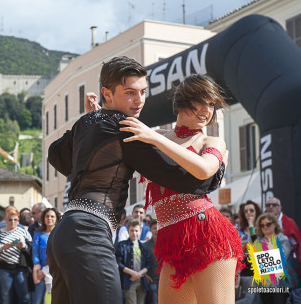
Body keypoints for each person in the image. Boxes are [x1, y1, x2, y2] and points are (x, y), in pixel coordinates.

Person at [47, 57, 225, 304]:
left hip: (203, 231)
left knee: (273, 288)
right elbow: (183, 176)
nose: (139, 100)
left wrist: (95, 123)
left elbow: (57, 155)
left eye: (143, 92)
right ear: (107, 94)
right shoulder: (135, 131)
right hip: (101, 232)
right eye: (130, 93)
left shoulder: (138, 131)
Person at [118, 73, 245, 302]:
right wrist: (100, 108)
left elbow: (205, 170)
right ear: (182, 101)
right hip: (170, 240)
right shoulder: (154, 137)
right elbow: (115, 137)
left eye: (211, 104)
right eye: (200, 101)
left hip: (207, 235)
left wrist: (155, 139)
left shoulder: (210, 142)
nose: (206, 110)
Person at [0, 206, 32, 304]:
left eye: (15, 220)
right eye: (10, 220)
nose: (13, 222)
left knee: (24, 297)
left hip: (19, 268)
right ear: (5, 219)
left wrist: (23, 246)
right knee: (5, 298)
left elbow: (31, 249)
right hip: (3, 269)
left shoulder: (23, 231)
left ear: (18, 219)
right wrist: (2, 247)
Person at [254, 213, 292, 303]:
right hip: (263, 285)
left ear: (274, 224)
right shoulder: (257, 241)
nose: (265, 227)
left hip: (280, 284)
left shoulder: (283, 239)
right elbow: (256, 261)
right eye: (262, 225)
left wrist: (263, 257)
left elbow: (280, 259)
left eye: (268, 224)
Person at [115, 219, 152, 304]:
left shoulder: (143, 247)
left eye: (136, 231)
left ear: (140, 231)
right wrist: (133, 273)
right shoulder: (122, 245)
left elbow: (149, 264)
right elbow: (118, 262)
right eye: (132, 230)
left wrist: (139, 274)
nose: (134, 233)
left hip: (142, 281)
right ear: (128, 231)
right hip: (129, 280)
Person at [32, 208, 61, 304]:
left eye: (52, 216)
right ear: (43, 219)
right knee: (38, 300)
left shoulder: (59, 234)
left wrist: (46, 270)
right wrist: (38, 267)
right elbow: (35, 253)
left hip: (56, 272)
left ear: (56, 218)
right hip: (40, 272)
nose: (49, 218)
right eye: (47, 216)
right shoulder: (38, 234)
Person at [144, 220, 159, 304]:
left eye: (159, 228)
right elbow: (141, 262)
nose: (157, 230)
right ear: (150, 230)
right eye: (154, 228)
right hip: (152, 281)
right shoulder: (145, 245)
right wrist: (145, 275)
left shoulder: (167, 244)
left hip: (165, 281)